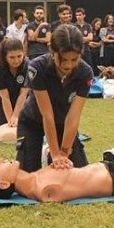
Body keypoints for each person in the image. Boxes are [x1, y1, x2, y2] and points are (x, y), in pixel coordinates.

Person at [16, 25, 94, 173]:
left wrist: (63, 152)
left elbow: (73, 116)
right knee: (28, 172)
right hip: (32, 121)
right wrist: (55, 153)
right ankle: (47, 152)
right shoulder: (37, 67)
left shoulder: (85, 73)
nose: (68, 65)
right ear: (52, 51)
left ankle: (49, 154)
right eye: (63, 59)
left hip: (62, 123)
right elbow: (47, 114)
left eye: (74, 59)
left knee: (78, 172)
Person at [0, 153, 114, 202]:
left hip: (108, 168)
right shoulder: (44, 190)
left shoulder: (34, 178)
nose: (1, 160)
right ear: (4, 184)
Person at [0, 38, 30, 129]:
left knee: (24, 126)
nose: (16, 61)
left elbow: (23, 94)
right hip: (0, 100)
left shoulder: (28, 67)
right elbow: (5, 97)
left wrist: (15, 116)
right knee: (0, 127)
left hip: (22, 100)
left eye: (19, 56)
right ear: (5, 57)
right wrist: (10, 121)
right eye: (12, 57)